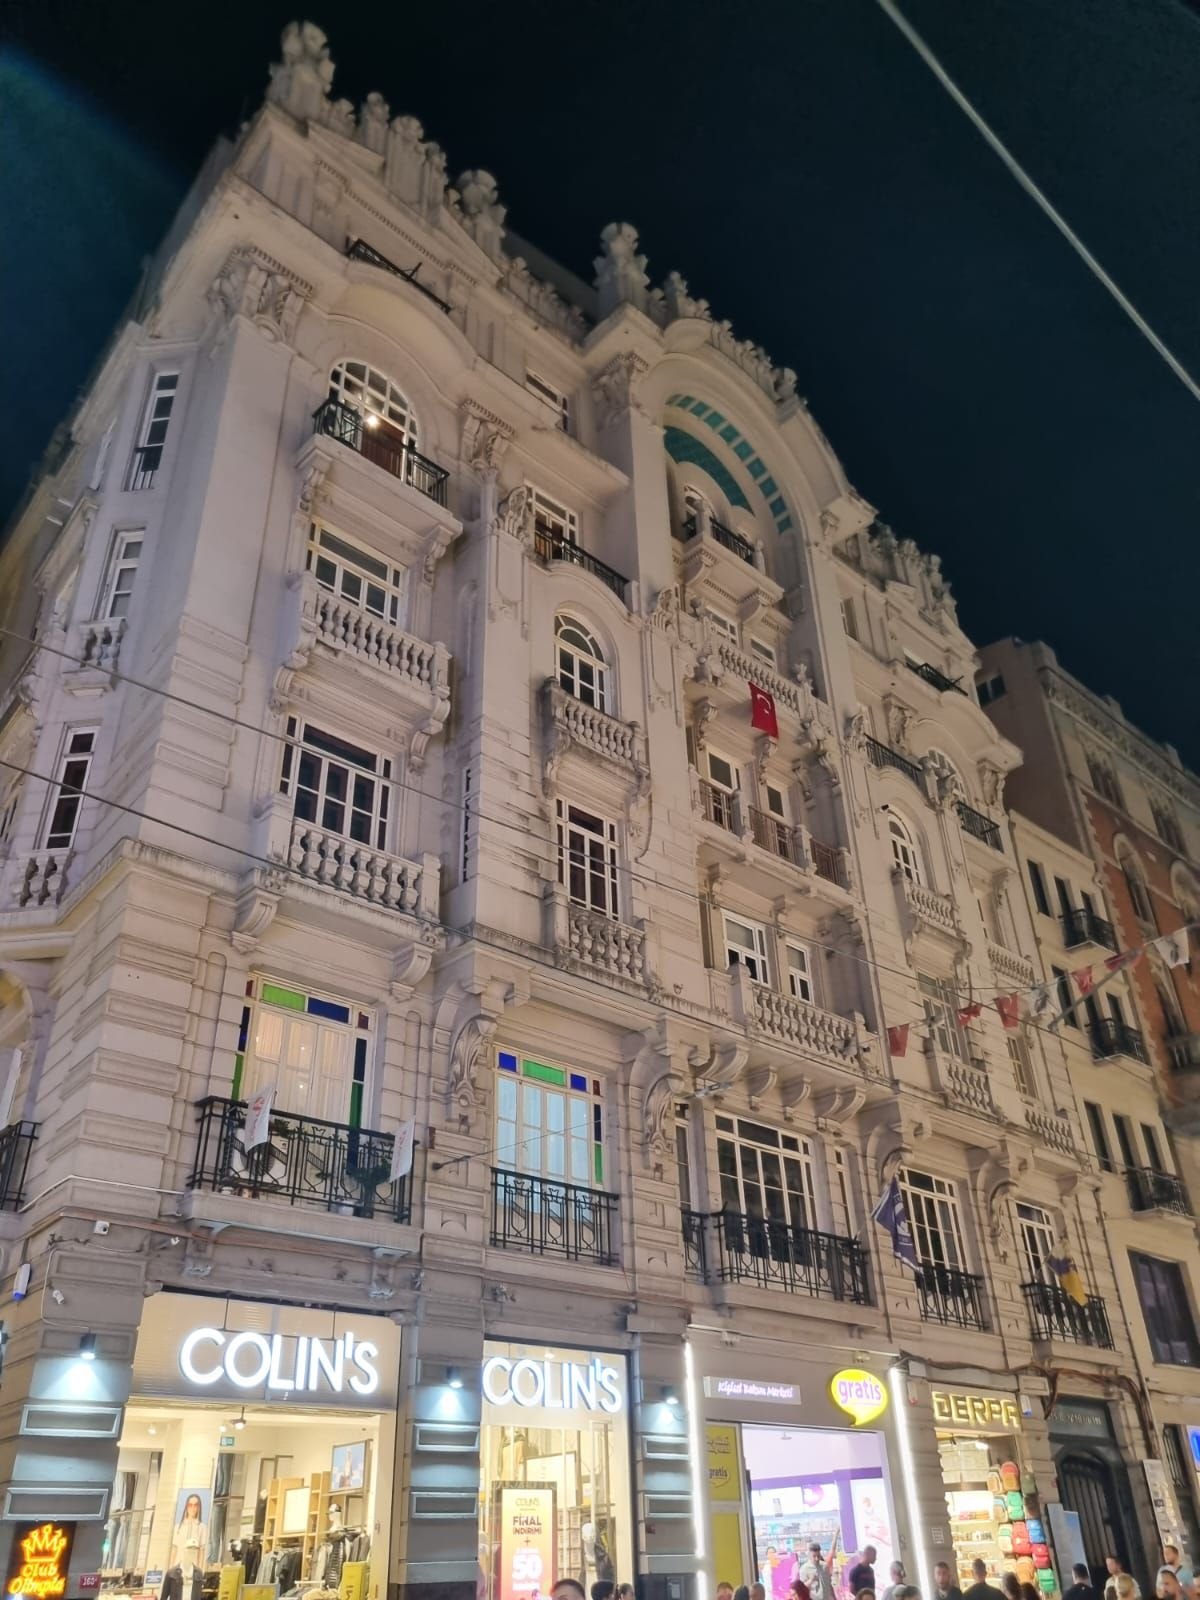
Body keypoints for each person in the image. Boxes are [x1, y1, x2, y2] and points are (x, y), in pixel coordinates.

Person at [172, 1495, 208, 1577]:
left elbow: (201, 1551)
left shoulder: (202, 1527)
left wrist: (200, 1571)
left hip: (192, 1570)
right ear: (186, 1506)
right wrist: (171, 1569)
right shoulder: (178, 1527)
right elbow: (174, 1549)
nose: (193, 1508)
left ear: (199, 1507)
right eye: (190, 1505)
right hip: (178, 1568)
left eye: (195, 1505)